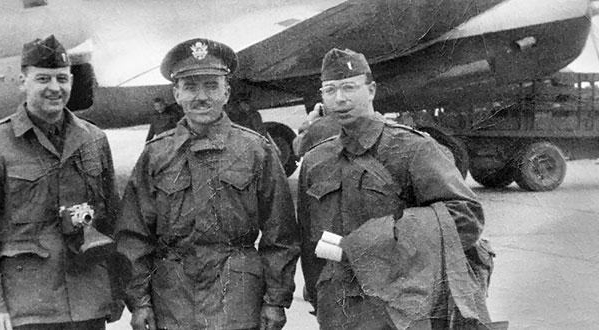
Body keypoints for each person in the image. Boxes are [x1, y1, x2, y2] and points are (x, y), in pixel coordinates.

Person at [297, 48, 498, 330]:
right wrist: (318, 296)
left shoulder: (412, 148)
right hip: (338, 306)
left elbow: (466, 217)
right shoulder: (317, 160)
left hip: (400, 306)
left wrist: (370, 243)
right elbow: (310, 242)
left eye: (349, 88)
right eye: (330, 90)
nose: (340, 98)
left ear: (371, 90)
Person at [115, 38, 300, 330]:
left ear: (226, 92)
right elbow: (133, 234)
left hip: (238, 300)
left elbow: (281, 234)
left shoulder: (256, 151)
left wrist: (275, 300)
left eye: (211, 86)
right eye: (190, 87)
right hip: (173, 302)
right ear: (176, 94)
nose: (201, 97)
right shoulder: (156, 154)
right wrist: (139, 301)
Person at [0, 35, 123, 330]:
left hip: (88, 301)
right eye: (43, 79)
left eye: (62, 78)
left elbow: (113, 219)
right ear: (23, 82)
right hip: (30, 306)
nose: (54, 88)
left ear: (71, 81)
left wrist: (117, 291)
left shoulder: (93, 139)